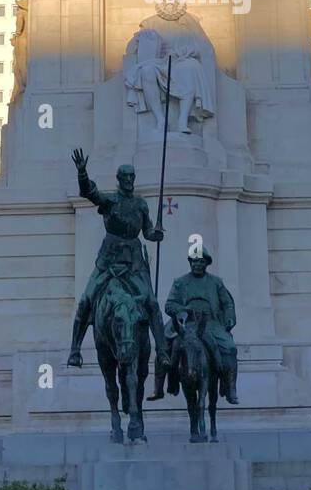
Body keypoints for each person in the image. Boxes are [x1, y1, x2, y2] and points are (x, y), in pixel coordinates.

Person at [66, 149, 169, 397]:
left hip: (134, 261)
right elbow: (89, 193)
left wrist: (157, 233)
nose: (129, 181)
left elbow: (147, 234)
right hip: (109, 260)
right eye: (125, 177)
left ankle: (163, 351)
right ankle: (75, 349)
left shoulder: (141, 205)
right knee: (86, 300)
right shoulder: (110, 201)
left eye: (131, 177)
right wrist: (82, 173)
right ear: (118, 179)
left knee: (153, 303)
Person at [164, 244, 238, 403]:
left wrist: (229, 318)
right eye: (195, 261)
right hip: (187, 323)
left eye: (201, 262)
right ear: (190, 262)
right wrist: (183, 309)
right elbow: (169, 305)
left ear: (207, 263)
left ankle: (230, 387)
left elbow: (227, 304)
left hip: (210, 323)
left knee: (230, 348)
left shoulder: (216, 282)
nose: (198, 264)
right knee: (166, 347)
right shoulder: (180, 282)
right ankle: (170, 382)